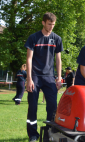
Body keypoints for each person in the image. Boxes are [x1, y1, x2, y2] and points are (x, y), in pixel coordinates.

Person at [24, 12, 63, 142]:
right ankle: (33, 135)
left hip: (49, 76)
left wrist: (59, 77)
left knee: (52, 107)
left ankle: (49, 133)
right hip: (35, 76)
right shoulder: (33, 37)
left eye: (53, 25)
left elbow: (58, 59)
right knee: (33, 106)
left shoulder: (57, 38)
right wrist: (29, 79)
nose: (51, 27)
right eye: (49, 24)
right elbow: (29, 59)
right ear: (43, 23)